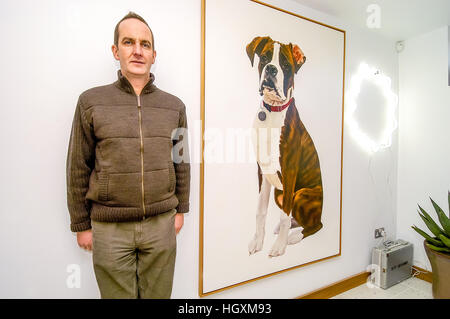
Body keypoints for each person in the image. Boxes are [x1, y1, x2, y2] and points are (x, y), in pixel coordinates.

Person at [66, 11, 190, 299]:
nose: (137, 50)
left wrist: (181, 209)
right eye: (128, 42)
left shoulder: (175, 106)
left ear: (154, 54)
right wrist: (81, 225)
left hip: (161, 226)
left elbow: (181, 161)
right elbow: (77, 167)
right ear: (115, 50)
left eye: (145, 44)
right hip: (110, 229)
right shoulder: (90, 102)